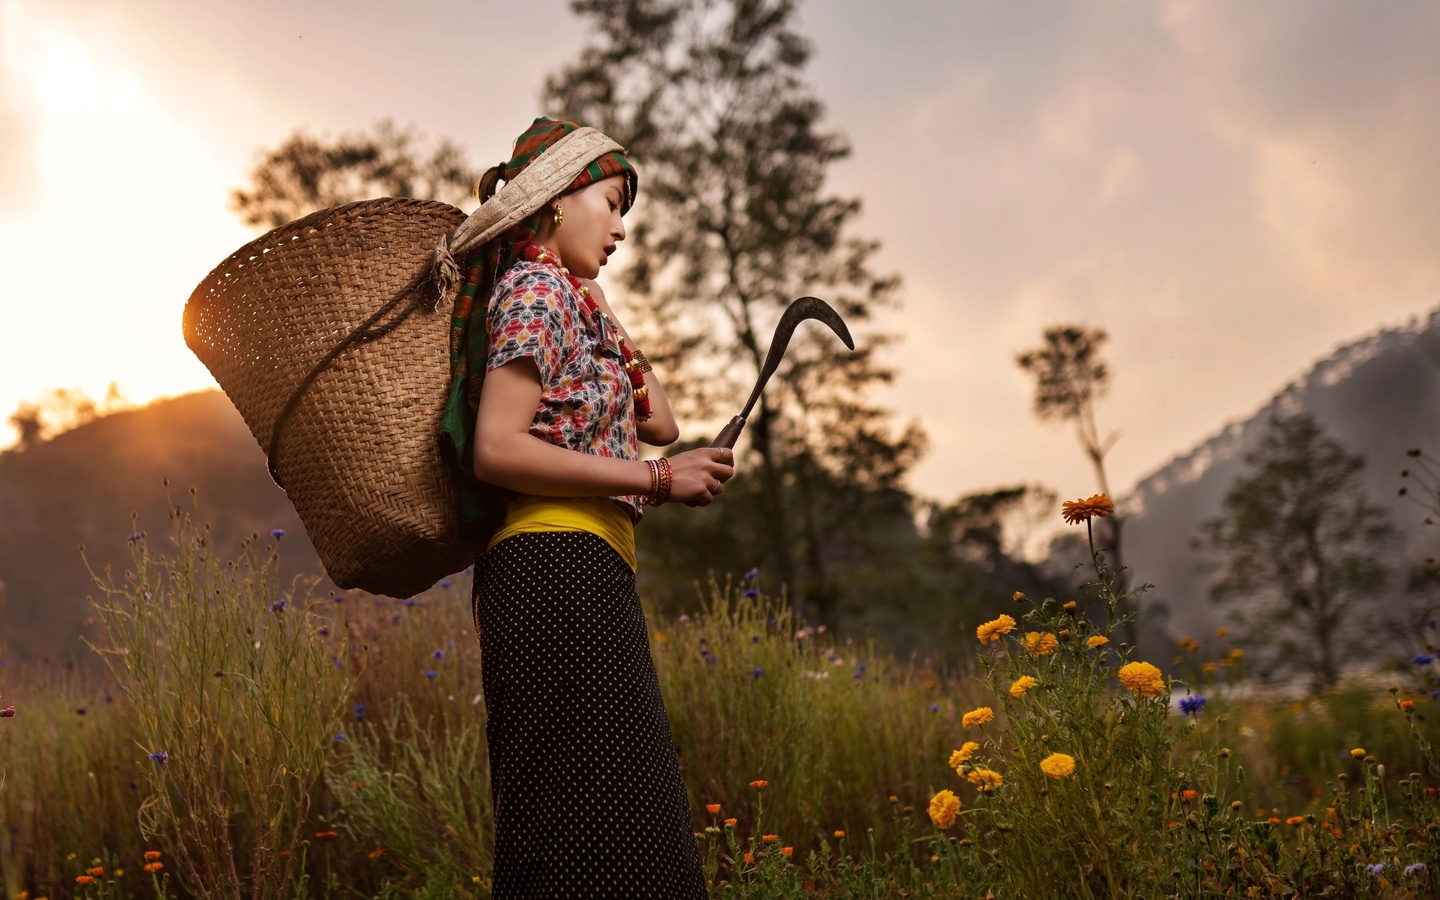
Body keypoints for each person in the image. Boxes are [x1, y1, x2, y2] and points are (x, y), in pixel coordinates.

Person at [441, 117, 731, 898]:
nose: (623, 228)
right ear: (557, 202)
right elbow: (496, 448)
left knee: (621, 823)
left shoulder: (565, 300)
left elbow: (661, 423)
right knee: (580, 833)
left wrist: (600, 306)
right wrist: (659, 480)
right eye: (610, 202)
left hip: (583, 571)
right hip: (550, 572)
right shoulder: (534, 291)